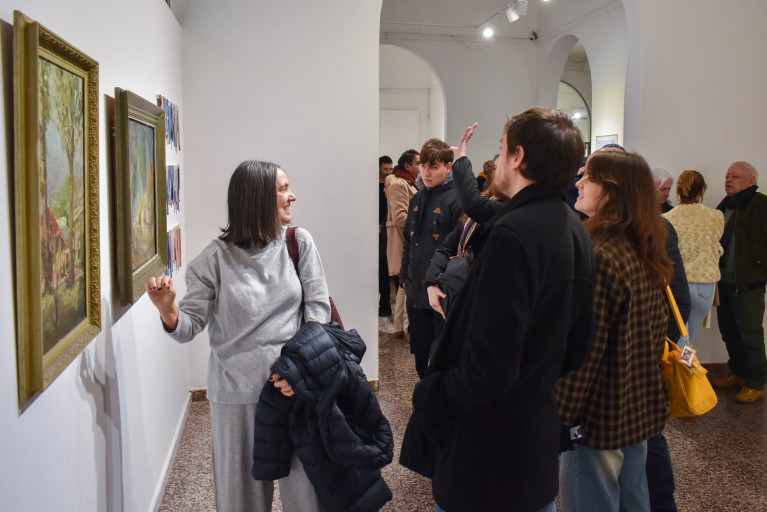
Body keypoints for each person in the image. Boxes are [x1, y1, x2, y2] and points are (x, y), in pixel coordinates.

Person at [400, 109, 595, 512]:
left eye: (503, 149)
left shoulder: (512, 234)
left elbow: (487, 368)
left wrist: (431, 392)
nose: (500, 158)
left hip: (488, 453)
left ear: (518, 156)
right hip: (534, 438)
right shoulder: (575, 228)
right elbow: (577, 347)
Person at [145, 160, 330, 512]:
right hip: (236, 396)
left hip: (295, 391)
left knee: (308, 498)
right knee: (240, 500)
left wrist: (300, 372)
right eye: (283, 189)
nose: (292, 196)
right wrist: (168, 311)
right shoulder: (213, 260)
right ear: (258, 199)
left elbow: (318, 313)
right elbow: (188, 326)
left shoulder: (298, 243)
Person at [558, 150, 674, 512]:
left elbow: (583, 351)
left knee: (590, 501)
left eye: (588, 177)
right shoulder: (642, 247)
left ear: (612, 191)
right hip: (635, 407)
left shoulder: (600, 254)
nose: (579, 183)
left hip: (597, 416)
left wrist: (560, 416)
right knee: (632, 498)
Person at [400, 138, 463, 378]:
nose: (426, 172)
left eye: (434, 167)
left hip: (443, 292)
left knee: (442, 356)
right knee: (421, 353)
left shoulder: (457, 199)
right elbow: (409, 240)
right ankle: (427, 394)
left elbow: (459, 249)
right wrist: (405, 276)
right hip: (416, 289)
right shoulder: (417, 197)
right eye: (423, 166)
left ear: (448, 167)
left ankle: (438, 397)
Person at [711, 161, 767, 404]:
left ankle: (755, 383)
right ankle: (738, 373)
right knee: (729, 332)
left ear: (751, 181)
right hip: (723, 281)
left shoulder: (761, 204)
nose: (728, 180)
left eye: (734, 176)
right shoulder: (726, 204)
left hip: (748, 282)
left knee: (750, 334)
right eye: (727, 176)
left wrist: (760, 265)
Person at [663, 170, 724, 346]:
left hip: (677, 283)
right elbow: (714, 243)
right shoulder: (716, 216)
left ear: (677, 190)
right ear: (702, 191)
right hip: (705, 285)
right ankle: (688, 364)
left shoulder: (666, 218)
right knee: (688, 342)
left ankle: (683, 365)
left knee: (679, 341)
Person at [387, 150, 420, 339]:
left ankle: (399, 327)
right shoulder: (400, 184)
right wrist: (423, 223)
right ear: (407, 165)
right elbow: (400, 217)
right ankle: (408, 328)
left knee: (403, 285)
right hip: (404, 241)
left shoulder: (409, 183)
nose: (421, 167)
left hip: (407, 239)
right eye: (418, 163)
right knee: (408, 283)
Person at [379, 155, 394, 317]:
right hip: (378, 234)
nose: (388, 171)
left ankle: (386, 305)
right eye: (385, 169)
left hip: (389, 234)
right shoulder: (374, 187)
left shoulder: (393, 186)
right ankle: (384, 305)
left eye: (390, 169)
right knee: (382, 270)